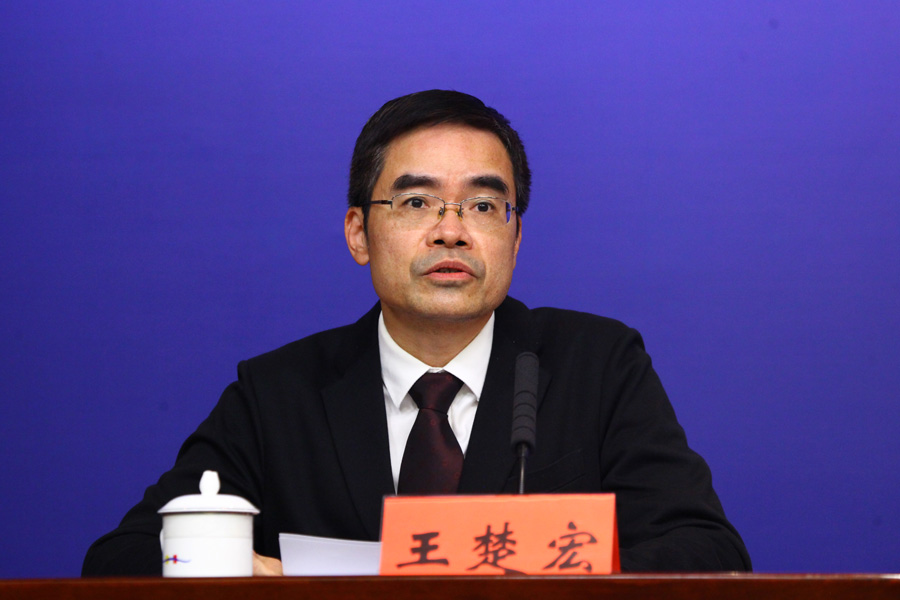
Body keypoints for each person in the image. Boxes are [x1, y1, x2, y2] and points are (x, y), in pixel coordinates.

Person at [83, 90, 751, 575]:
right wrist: (232, 566)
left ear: (515, 237)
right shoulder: (278, 394)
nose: (451, 230)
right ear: (358, 234)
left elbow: (709, 552)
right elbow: (122, 559)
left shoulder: (597, 366)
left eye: (483, 205)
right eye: (416, 202)